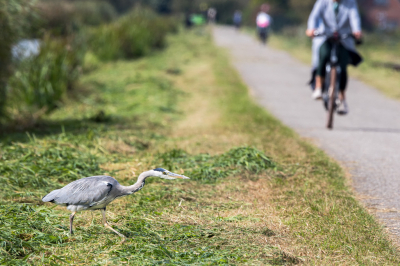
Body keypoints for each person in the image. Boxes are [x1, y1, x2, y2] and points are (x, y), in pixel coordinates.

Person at [306, 0, 362, 115]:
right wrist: (311, 28)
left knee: (343, 64)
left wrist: (357, 31)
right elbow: (314, 16)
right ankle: (318, 86)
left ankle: (342, 97)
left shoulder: (350, 3)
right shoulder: (322, 2)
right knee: (323, 55)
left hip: (343, 38)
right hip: (325, 36)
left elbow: (354, 17)